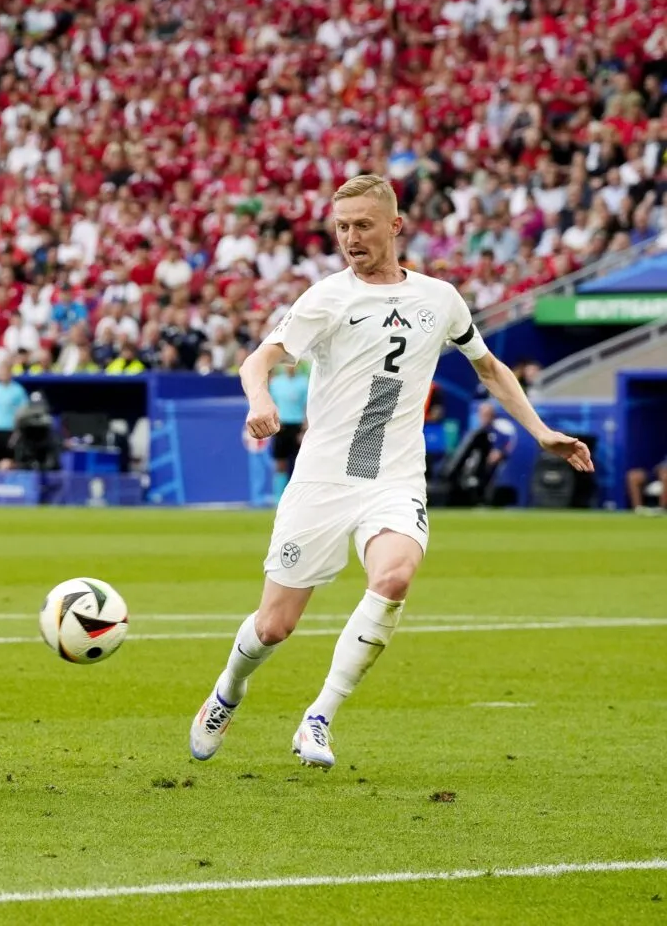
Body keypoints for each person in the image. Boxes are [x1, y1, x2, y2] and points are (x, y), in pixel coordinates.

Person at [188, 176, 593, 770]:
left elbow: (490, 368)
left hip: (394, 478)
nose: (350, 237)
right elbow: (260, 360)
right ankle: (227, 692)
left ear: (395, 226)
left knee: (396, 577)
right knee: (274, 626)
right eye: (342, 226)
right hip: (324, 480)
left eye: (363, 225)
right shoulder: (327, 297)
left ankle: (319, 718)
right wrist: (260, 400)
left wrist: (541, 431)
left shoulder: (440, 298)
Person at [267, 362, 309, 501]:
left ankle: (298, 496)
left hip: (297, 425)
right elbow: (272, 404)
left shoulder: (304, 383)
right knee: (280, 462)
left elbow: (307, 406)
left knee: (299, 463)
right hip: (282, 425)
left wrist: (304, 428)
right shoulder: (276, 383)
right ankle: (279, 496)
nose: (290, 366)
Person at [0, 362, 28, 469]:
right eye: (0, 372)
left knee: (10, 458)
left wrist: (18, 427)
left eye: (5, 372)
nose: (2, 374)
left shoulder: (18, 390)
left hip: (11, 429)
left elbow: (23, 410)